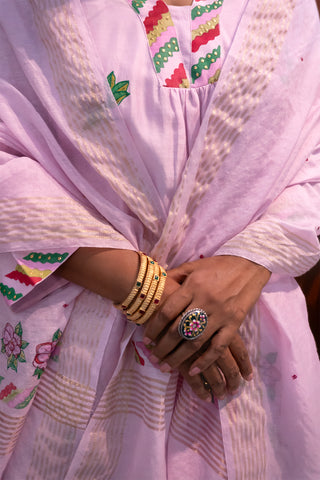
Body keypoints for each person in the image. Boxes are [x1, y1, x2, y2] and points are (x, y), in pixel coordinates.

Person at [0, 0, 319, 478]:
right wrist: (152, 294)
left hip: (248, 342)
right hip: (79, 339)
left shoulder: (290, 8)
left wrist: (248, 263)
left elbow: (310, 158)